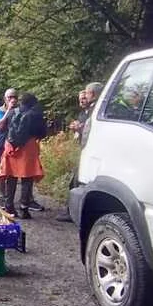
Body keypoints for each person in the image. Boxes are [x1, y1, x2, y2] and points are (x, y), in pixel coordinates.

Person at [57, 82, 104, 222]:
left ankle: (73, 213)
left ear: (92, 94)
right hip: (87, 150)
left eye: (87, 94)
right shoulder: (94, 109)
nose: (84, 97)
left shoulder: (96, 109)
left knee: (77, 182)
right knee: (76, 181)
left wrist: (80, 128)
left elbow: (94, 131)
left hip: (90, 150)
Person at [0, 93, 47, 219]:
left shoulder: (12, 112)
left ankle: (9, 205)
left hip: (11, 146)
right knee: (27, 178)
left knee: (11, 176)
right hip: (28, 147)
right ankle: (24, 208)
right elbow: (42, 133)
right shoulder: (36, 114)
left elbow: (2, 128)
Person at [0, 88, 16, 160]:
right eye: (10, 97)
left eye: (15, 97)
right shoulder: (0, 111)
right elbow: (0, 125)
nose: (12, 99)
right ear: (5, 99)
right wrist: (9, 110)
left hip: (14, 139)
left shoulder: (20, 110)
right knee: (1, 160)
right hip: (1, 139)